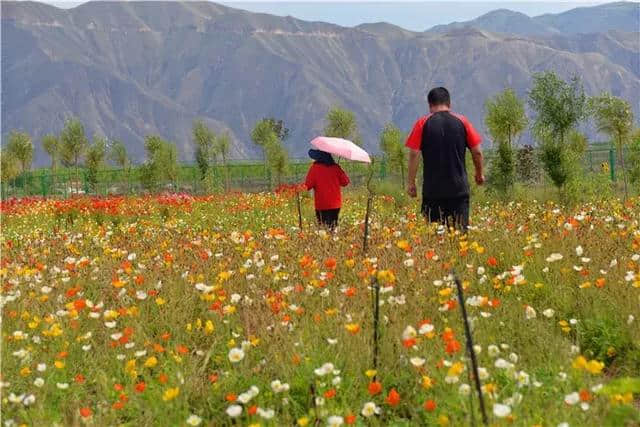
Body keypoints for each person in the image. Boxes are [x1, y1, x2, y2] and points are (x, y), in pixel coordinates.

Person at [406, 87, 485, 231]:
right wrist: (479, 174)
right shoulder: (463, 122)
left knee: (436, 238)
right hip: (459, 190)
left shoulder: (422, 124)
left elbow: (413, 154)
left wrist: (411, 183)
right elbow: (477, 152)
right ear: (449, 103)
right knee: (460, 237)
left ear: (430, 105)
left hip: (432, 191)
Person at [304, 149, 350, 229]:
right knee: (333, 227)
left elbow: (307, 186)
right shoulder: (336, 167)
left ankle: (326, 241)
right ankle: (333, 241)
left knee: (323, 228)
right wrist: (340, 170)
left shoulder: (315, 168)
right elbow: (345, 182)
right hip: (335, 205)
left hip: (321, 205)